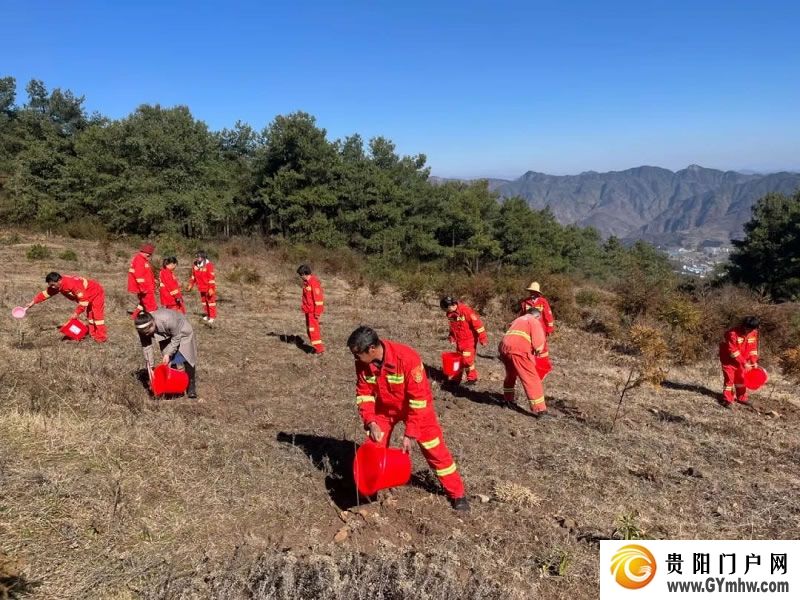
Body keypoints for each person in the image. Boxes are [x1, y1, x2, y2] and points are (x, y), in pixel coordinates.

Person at [348, 326, 469, 511]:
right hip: (385, 410)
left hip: (416, 409)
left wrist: (411, 432)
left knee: (434, 449)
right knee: (374, 445)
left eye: (357, 355)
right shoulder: (363, 363)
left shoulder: (406, 358)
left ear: (372, 349)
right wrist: (370, 421)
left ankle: (457, 493)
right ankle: (372, 486)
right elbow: (364, 393)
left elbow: (419, 400)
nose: (355, 359)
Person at [25, 272, 107, 342]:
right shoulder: (57, 285)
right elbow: (46, 293)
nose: (52, 287)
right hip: (86, 294)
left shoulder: (71, 284)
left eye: (53, 285)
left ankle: (101, 338)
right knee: (90, 315)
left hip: (96, 292)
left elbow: (83, 300)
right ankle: (93, 334)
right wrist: (33, 302)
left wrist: (76, 313)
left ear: (59, 280)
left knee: (97, 316)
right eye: (50, 285)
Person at [134, 309, 198, 399]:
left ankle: (191, 385)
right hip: (164, 335)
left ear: (153, 322)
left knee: (187, 356)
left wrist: (168, 353)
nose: (147, 334)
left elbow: (176, 337)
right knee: (172, 361)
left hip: (181, 331)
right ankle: (177, 387)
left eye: (148, 332)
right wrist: (151, 368)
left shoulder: (167, 320)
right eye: (145, 333)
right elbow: (146, 347)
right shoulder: (142, 328)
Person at [499, 307, 548, 416]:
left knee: (510, 375)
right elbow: (539, 341)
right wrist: (538, 350)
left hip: (504, 348)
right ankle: (540, 409)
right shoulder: (534, 321)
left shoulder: (518, 319)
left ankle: (508, 400)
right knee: (531, 378)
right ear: (537, 316)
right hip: (519, 350)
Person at [440, 296, 488, 384]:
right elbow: (452, 327)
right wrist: (452, 337)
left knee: (467, 359)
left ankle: (472, 378)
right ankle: (456, 379)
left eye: (446, 309)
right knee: (459, 360)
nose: (446, 312)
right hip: (459, 341)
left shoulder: (466, 311)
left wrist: (483, 338)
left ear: (453, 305)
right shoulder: (450, 314)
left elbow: (478, 325)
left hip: (469, 340)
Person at [719, 316, 760, 406]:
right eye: (748, 329)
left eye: (751, 329)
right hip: (728, 361)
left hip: (743, 361)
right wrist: (744, 363)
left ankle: (742, 398)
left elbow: (753, 348)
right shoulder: (732, 334)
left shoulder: (754, 333)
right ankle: (727, 400)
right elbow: (732, 351)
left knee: (741, 379)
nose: (749, 331)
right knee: (729, 380)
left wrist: (753, 361)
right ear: (743, 326)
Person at [519, 281, 555, 380]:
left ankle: (543, 366)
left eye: (534, 292)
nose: (532, 293)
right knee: (529, 346)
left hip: (540, 328)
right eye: (531, 291)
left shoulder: (543, 302)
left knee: (542, 348)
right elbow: (522, 315)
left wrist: (549, 328)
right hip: (528, 328)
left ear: (538, 292)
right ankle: (530, 364)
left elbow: (548, 315)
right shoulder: (525, 302)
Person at [297, 264, 325, 354]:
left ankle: (319, 349)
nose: (301, 277)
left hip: (313, 312)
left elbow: (319, 300)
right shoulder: (307, 284)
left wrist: (317, 313)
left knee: (313, 331)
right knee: (309, 330)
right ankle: (316, 348)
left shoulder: (314, 283)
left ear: (304, 274)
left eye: (301, 275)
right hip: (308, 311)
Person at [128, 243, 158, 318]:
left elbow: (146, 274)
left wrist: (154, 280)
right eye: (149, 255)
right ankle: (153, 319)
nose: (149, 257)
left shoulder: (142, 260)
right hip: (145, 288)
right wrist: (143, 288)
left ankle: (134, 316)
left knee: (143, 303)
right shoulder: (139, 260)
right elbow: (139, 277)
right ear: (146, 253)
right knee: (151, 306)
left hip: (147, 287)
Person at [186, 250, 217, 324]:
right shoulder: (195, 265)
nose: (198, 258)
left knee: (211, 302)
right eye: (197, 256)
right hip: (201, 287)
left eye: (199, 256)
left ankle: (212, 316)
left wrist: (211, 288)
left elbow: (211, 278)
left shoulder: (209, 265)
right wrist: (191, 284)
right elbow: (193, 276)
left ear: (203, 257)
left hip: (208, 287)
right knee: (204, 302)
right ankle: (207, 314)